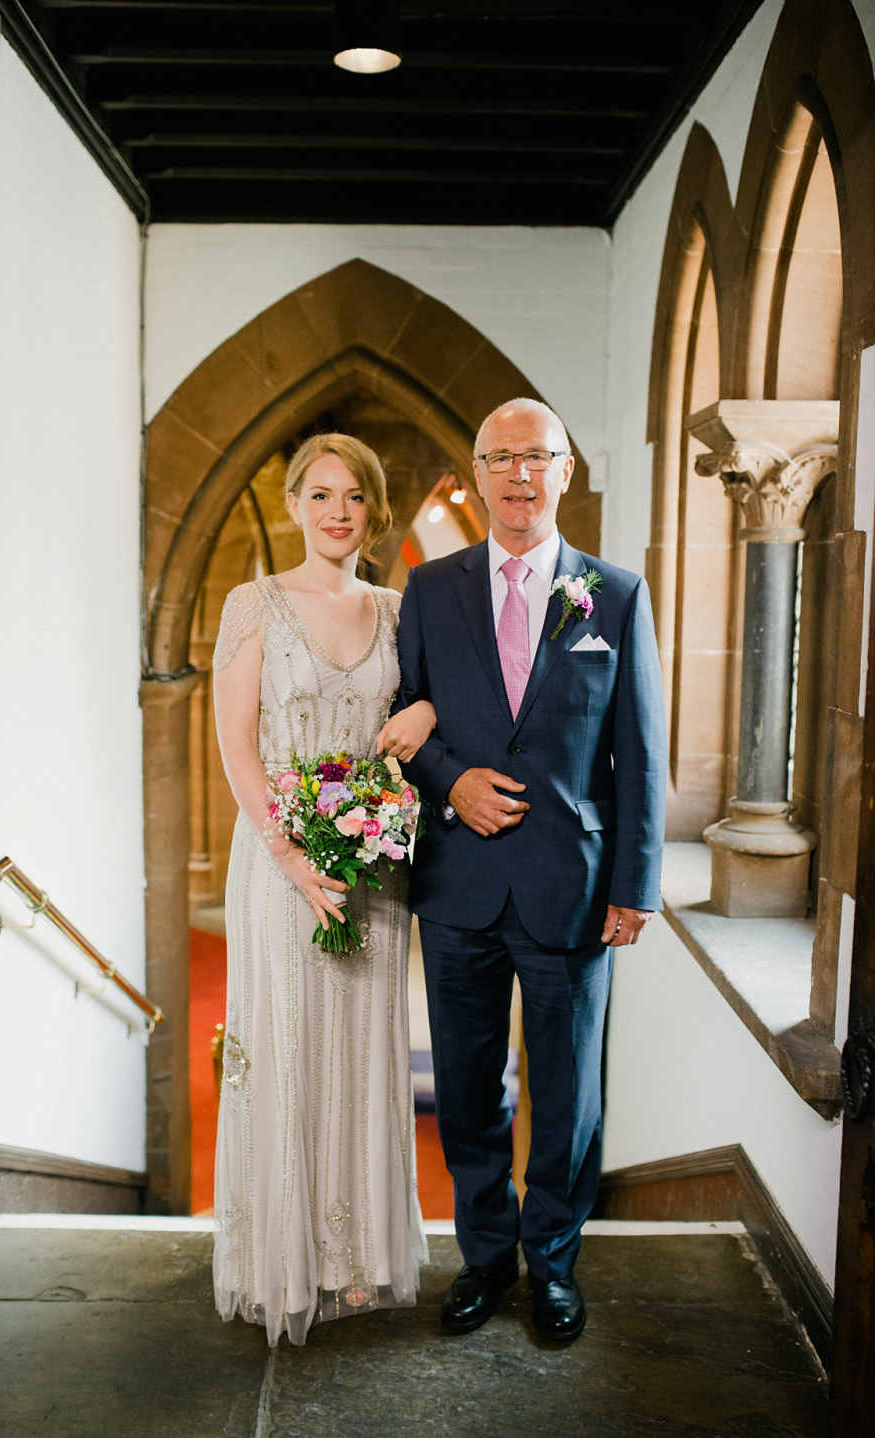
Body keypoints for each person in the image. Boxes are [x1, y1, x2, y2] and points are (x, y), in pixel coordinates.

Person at [394, 398, 666, 1342]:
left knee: (568, 1095)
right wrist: (448, 778)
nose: (518, 475)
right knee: (469, 1092)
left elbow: (640, 752)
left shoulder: (616, 596)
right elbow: (408, 712)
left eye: (536, 457)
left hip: (575, 889)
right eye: (500, 458)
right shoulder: (431, 589)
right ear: (476, 476)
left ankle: (553, 1263)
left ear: (566, 471)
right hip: (461, 885)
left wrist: (635, 885)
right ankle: (485, 1258)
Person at [211, 432, 436, 1347]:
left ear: (374, 514)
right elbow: (234, 749)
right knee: (292, 1051)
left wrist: (426, 711)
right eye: (321, 494)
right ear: (295, 504)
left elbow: (429, 705)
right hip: (279, 865)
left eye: (355, 497)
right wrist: (294, 861)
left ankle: (355, 1264)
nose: (337, 511)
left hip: (373, 870)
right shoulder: (252, 604)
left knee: (363, 1053)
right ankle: (285, 1259)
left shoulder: (397, 608)